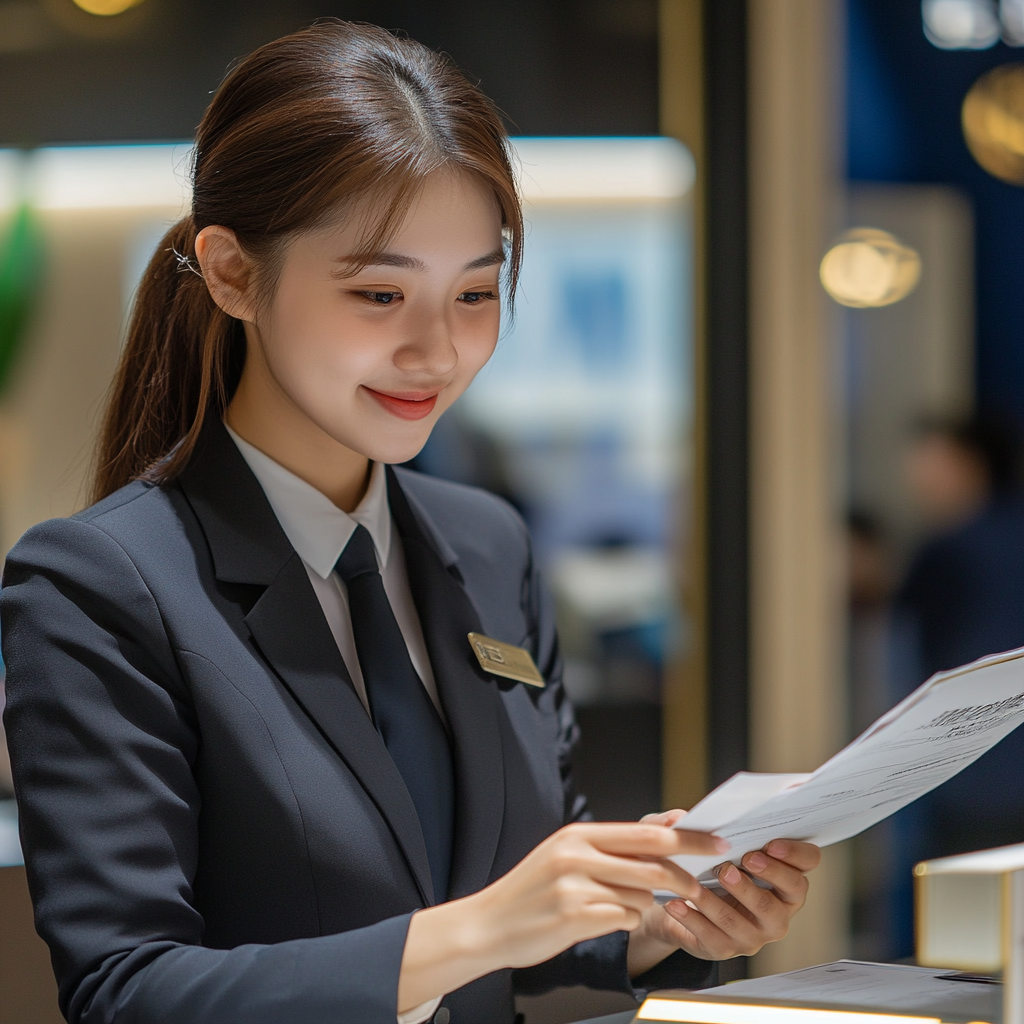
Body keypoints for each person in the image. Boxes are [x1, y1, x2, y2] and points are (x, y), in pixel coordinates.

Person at [0, 22, 819, 1024]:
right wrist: (485, 926)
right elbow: (126, 990)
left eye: (475, 291)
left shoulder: (488, 544)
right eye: (380, 292)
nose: (436, 351)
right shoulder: (101, 583)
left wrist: (660, 916)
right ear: (232, 275)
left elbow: (524, 888)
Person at [886, 413, 1024, 955]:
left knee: (970, 946)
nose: (917, 478)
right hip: (998, 771)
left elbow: (913, 658)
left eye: (929, 463)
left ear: (969, 463)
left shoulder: (946, 551)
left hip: (975, 772)